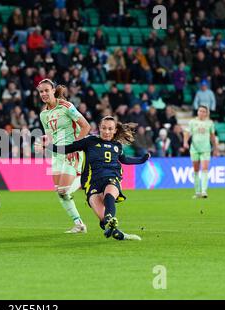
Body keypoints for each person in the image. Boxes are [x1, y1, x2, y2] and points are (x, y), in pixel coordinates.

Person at [39, 116, 149, 241]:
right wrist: (48, 146)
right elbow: (67, 149)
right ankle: (117, 232)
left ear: (115, 131)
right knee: (103, 220)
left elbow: (124, 159)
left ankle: (109, 219)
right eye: (104, 128)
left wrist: (141, 160)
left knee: (109, 194)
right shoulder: (89, 141)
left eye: (110, 129)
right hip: (92, 183)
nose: (106, 132)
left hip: (111, 178)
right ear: (99, 128)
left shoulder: (117, 145)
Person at [37, 79, 91, 234]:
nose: (44, 94)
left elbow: (86, 126)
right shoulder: (43, 114)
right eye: (41, 92)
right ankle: (79, 224)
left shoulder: (67, 107)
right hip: (57, 155)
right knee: (60, 192)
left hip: (71, 152)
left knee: (63, 190)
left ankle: (87, 179)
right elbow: (50, 136)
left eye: (47, 90)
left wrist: (76, 146)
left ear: (53, 90)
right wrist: (43, 143)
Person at [183, 104, 219, 199]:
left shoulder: (210, 123)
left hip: (206, 149)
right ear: (197, 112)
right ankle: (197, 192)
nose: (202, 113)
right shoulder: (192, 122)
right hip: (194, 149)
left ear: (206, 113)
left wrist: (215, 148)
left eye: (204, 111)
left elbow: (212, 136)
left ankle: (204, 191)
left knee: (204, 169)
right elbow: (187, 133)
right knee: (196, 170)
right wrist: (185, 142)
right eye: (200, 111)